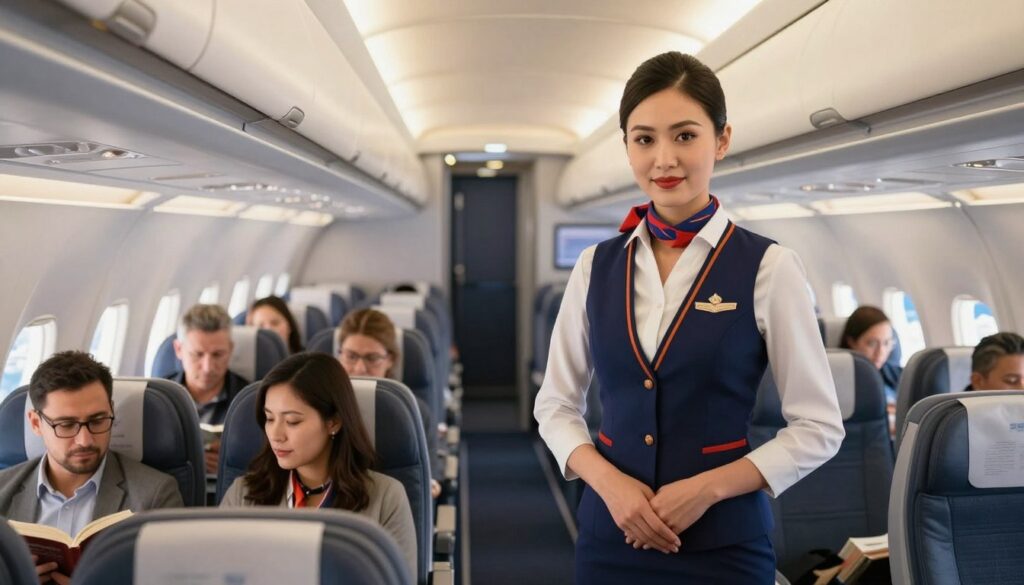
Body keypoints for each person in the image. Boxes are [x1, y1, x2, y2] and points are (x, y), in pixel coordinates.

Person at [534, 52, 844, 584]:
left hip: (723, 545)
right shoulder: (595, 266)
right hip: (612, 538)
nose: (664, 160)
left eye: (684, 136)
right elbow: (556, 404)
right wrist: (611, 486)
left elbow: (818, 427)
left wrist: (707, 488)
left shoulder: (770, 266)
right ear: (627, 146)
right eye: (645, 139)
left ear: (721, 140)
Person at [220, 353, 417, 581]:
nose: (275, 435)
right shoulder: (243, 494)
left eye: (292, 421)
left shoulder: (386, 497)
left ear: (333, 422)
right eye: (269, 418)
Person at [0, 351, 183, 584]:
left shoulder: (153, 494)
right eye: (66, 425)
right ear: (36, 423)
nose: (85, 440)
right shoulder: (3, 490)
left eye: (97, 421)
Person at [337, 308, 443, 499]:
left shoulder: (413, 412)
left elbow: (430, 478)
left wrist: (431, 485)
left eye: (372, 358)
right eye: (351, 356)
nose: (360, 368)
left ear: (390, 360)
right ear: (339, 355)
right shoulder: (321, 408)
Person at [167, 304, 250, 473]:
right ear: (179, 349)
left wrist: (234, 461)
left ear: (231, 349)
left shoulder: (250, 401)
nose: (207, 367)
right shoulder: (159, 400)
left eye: (218, 355)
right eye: (197, 354)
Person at [840, 306, 902, 403]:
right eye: (872, 343)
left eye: (886, 343)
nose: (881, 352)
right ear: (852, 342)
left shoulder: (899, 374)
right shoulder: (839, 380)